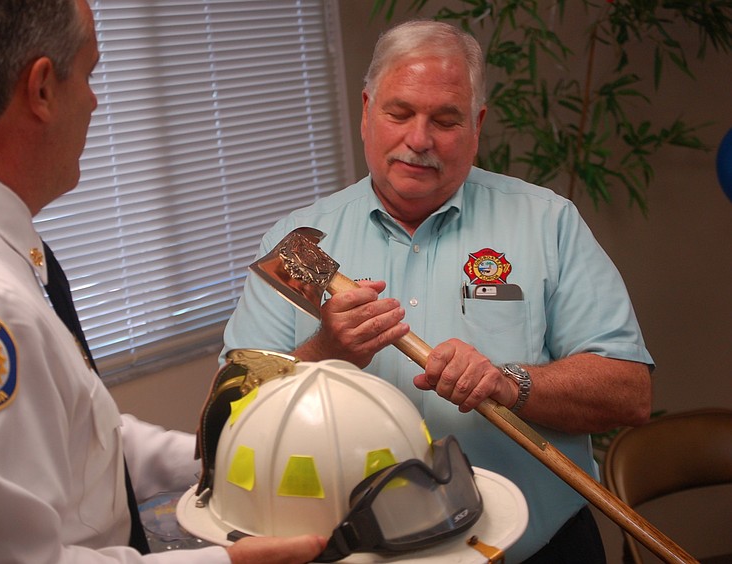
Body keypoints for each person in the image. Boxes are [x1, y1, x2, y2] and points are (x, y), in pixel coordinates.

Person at [0, 1, 325, 563]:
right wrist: (230, 561)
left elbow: (84, 438)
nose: (94, 100)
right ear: (41, 89)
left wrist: (233, 450)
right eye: (89, 74)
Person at [222, 19, 654, 563]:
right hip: (357, 553)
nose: (418, 140)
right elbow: (234, 410)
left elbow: (629, 392)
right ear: (365, 111)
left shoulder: (548, 222)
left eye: (445, 120)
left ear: (476, 124)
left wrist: (509, 382)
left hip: (538, 550)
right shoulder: (296, 248)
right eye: (399, 113)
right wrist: (324, 354)